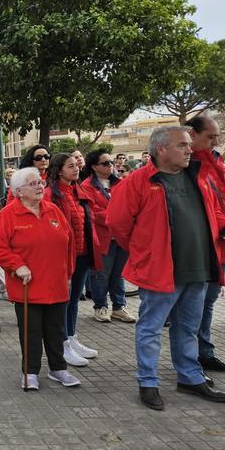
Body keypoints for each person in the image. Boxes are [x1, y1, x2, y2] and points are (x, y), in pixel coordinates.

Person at [108, 125, 225, 410]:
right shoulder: (138, 181)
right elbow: (117, 224)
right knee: (150, 327)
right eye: (183, 145)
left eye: (189, 145)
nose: (190, 149)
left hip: (198, 268)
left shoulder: (198, 176)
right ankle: (147, 381)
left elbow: (215, 210)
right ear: (161, 149)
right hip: (160, 270)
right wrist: (145, 251)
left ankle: (189, 376)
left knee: (188, 327)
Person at [0, 168, 81, 390]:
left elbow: (69, 242)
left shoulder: (53, 210)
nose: (40, 186)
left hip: (57, 283)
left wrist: (68, 272)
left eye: (40, 182)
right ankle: (30, 372)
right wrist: (17, 265)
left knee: (56, 329)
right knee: (31, 331)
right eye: (33, 184)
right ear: (19, 191)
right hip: (27, 286)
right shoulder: (8, 215)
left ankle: (58, 368)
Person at [44, 153, 101, 367]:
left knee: (74, 299)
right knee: (63, 301)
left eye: (77, 165)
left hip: (83, 253)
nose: (76, 169)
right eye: (70, 166)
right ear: (59, 170)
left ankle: (72, 337)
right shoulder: (51, 194)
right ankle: (63, 343)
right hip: (63, 257)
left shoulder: (79, 191)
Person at [186, 115, 225, 374]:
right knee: (191, 309)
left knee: (208, 301)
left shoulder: (215, 163)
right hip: (200, 247)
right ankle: (190, 361)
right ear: (192, 134)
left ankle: (204, 352)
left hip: (216, 244)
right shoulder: (187, 167)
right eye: (210, 136)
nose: (215, 141)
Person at [80, 150, 134, 324]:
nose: (110, 165)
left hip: (121, 236)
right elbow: (92, 212)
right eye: (105, 163)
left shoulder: (120, 183)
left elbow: (130, 204)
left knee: (119, 274)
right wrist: (117, 217)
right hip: (102, 237)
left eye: (111, 161)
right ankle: (100, 306)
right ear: (94, 167)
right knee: (101, 274)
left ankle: (118, 307)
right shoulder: (87, 186)